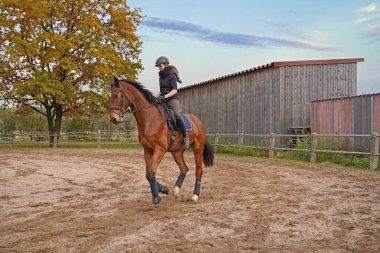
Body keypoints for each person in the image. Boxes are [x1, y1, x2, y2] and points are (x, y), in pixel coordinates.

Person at [155, 56, 189, 148]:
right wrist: (153, 97)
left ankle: (185, 137)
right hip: (163, 98)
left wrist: (165, 96)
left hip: (172, 98)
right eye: (158, 67)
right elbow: (161, 90)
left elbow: (174, 90)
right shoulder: (161, 77)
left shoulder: (172, 75)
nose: (159, 68)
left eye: (160, 66)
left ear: (166, 65)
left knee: (177, 115)